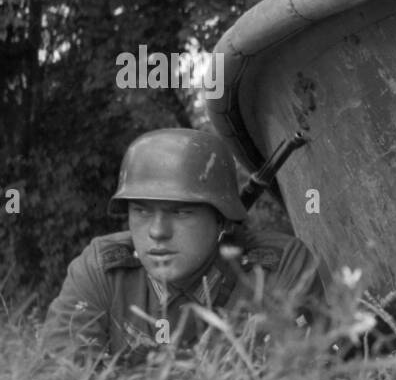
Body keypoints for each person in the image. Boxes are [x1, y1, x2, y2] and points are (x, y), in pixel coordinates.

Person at [40, 128, 322, 364]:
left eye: (181, 212)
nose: (157, 232)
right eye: (141, 211)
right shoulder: (103, 270)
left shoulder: (276, 267)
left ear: (221, 220)